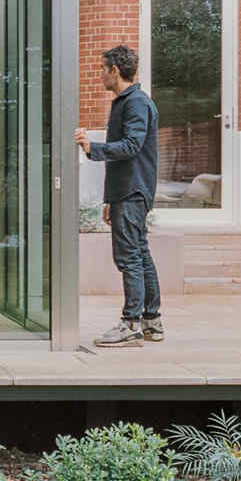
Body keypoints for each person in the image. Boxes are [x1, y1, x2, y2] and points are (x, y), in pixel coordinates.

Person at [76, 45, 162, 347]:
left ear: (115, 70)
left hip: (133, 191)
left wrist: (92, 148)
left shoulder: (136, 103)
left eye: (103, 68)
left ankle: (130, 324)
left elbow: (131, 146)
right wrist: (110, 199)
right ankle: (152, 321)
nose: (100, 74)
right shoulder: (126, 102)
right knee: (140, 254)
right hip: (127, 191)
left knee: (129, 257)